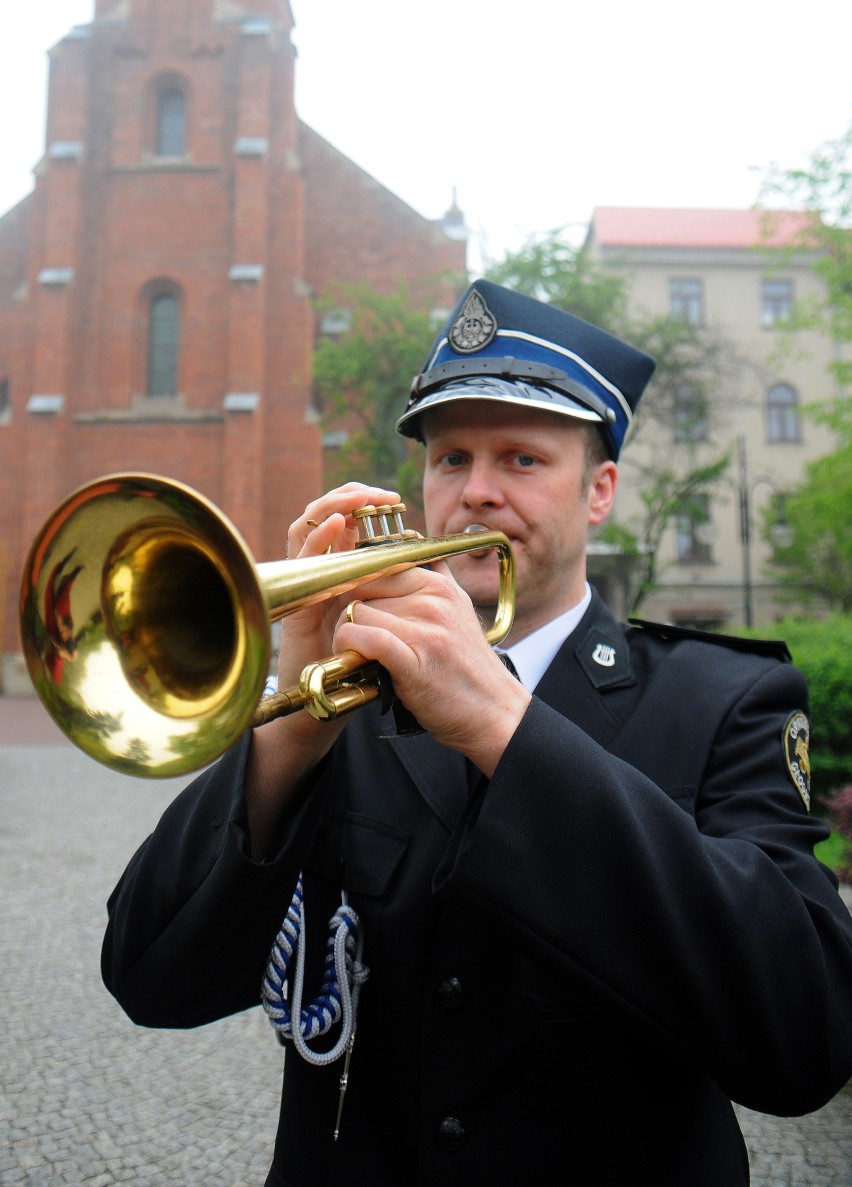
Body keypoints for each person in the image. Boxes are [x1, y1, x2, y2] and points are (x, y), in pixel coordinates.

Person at [102, 280, 852, 1186]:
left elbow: (803, 1031)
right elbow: (149, 976)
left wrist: (503, 724)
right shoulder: (346, 697)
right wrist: (291, 726)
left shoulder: (727, 696)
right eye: (451, 458)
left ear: (600, 490)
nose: (477, 493)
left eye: (523, 460)